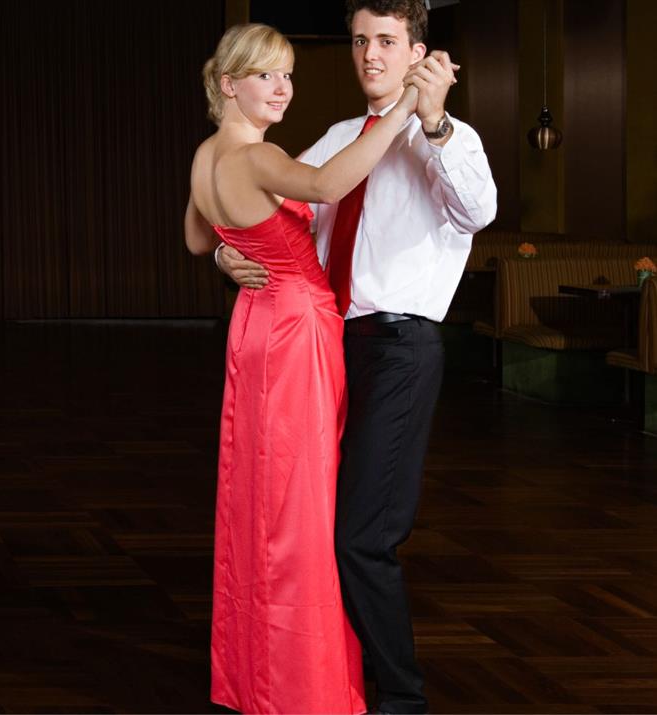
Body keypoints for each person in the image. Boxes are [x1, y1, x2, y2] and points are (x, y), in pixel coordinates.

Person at [214, 2, 498, 711]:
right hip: (326, 347)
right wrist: (227, 249)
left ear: (417, 51)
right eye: (360, 41)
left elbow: (478, 211)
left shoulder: (448, 137)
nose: (370, 55)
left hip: (400, 348)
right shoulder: (344, 137)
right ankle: (329, 682)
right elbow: (274, 206)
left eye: (387, 42)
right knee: (313, 529)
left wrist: (430, 123)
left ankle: (402, 699)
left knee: (363, 536)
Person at [185, 22, 419, 714]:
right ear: (230, 84)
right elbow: (326, 181)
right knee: (300, 504)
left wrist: (235, 246)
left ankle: (253, 673)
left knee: (258, 493)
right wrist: (401, 110)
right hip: (295, 332)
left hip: (254, 325)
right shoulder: (257, 157)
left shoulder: (205, 157)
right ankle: (298, 684)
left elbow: (199, 237)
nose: (283, 88)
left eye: (288, 74)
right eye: (267, 75)